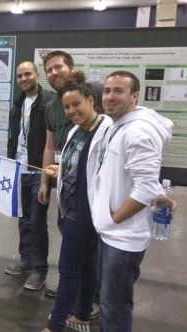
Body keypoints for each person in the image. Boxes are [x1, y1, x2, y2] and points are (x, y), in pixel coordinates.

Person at [92, 71, 173, 331]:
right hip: (111, 232)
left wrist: (114, 218)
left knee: (114, 306)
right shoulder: (118, 124)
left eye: (118, 91)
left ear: (135, 96)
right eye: (106, 91)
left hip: (123, 238)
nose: (110, 97)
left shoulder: (138, 131)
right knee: (109, 301)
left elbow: (146, 189)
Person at [42, 72, 112, 332]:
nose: (72, 110)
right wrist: (61, 170)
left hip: (85, 214)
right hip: (70, 208)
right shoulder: (76, 131)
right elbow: (83, 167)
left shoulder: (105, 132)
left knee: (68, 270)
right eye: (67, 107)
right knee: (87, 265)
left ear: (91, 100)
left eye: (76, 104)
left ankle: (55, 325)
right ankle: (82, 313)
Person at [39, 50, 103, 302]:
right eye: (49, 70)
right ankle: (73, 284)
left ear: (71, 68)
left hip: (95, 185)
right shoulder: (51, 106)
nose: (54, 73)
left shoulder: (95, 90)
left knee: (93, 243)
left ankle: (92, 297)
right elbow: (49, 146)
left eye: (58, 67)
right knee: (70, 235)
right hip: (68, 182)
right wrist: (45, 182)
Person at [5, 61, 53, 290]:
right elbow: (14, 136)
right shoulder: (18, 103)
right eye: (20, 76)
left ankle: (40, 269)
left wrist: (47, 174)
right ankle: (26, 259)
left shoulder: (50, 102)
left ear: (37, 75)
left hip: (38, 170)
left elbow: (52, 141)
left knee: (37, 221)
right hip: (19, 167)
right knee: (23, 219)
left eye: (27, 74)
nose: (23, 79)